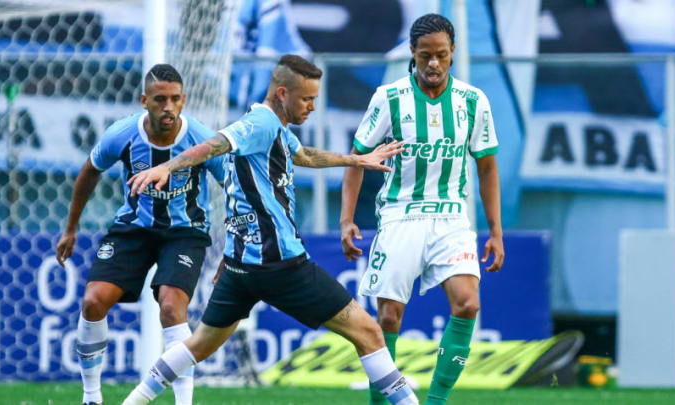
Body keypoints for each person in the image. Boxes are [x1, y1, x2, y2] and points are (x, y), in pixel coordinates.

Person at [121, 55, 419, 405]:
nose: (312, 106)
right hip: (280, 264)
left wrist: (355, 160)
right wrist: (169, 166)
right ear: (282, 92)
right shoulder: (260, 122)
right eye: (306, 98)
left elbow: (304, 155)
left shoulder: (276, 128)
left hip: (241, 266)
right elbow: (217, 143)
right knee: (368, 332)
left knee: (198, 345)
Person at [340, 14, 505, 405]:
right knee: (388, 319)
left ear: (452, 55)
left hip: (451, 217)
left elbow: (487, 167)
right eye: (426, 55)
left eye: (442, 56)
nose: (434, 64)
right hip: (400, 215)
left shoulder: (473, 101)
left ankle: (435, 402)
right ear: (412, 54)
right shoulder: (389, 98)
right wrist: (346, 219)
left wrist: (496, 231)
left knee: (468, 303)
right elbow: (356, 159)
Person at [55, 64, 227, 405]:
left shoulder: (203, 139)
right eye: (160, 99)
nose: (169, 107)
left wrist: (233, 248)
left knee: (171, 307)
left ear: (184, 100)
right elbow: (90, 170)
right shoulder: (122, 134)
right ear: (144, 100)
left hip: (185, 232)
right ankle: (91, 397)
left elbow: (235, 188)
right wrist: (71, 228)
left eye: (175, 99)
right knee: (93, 301)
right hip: (133, 228)